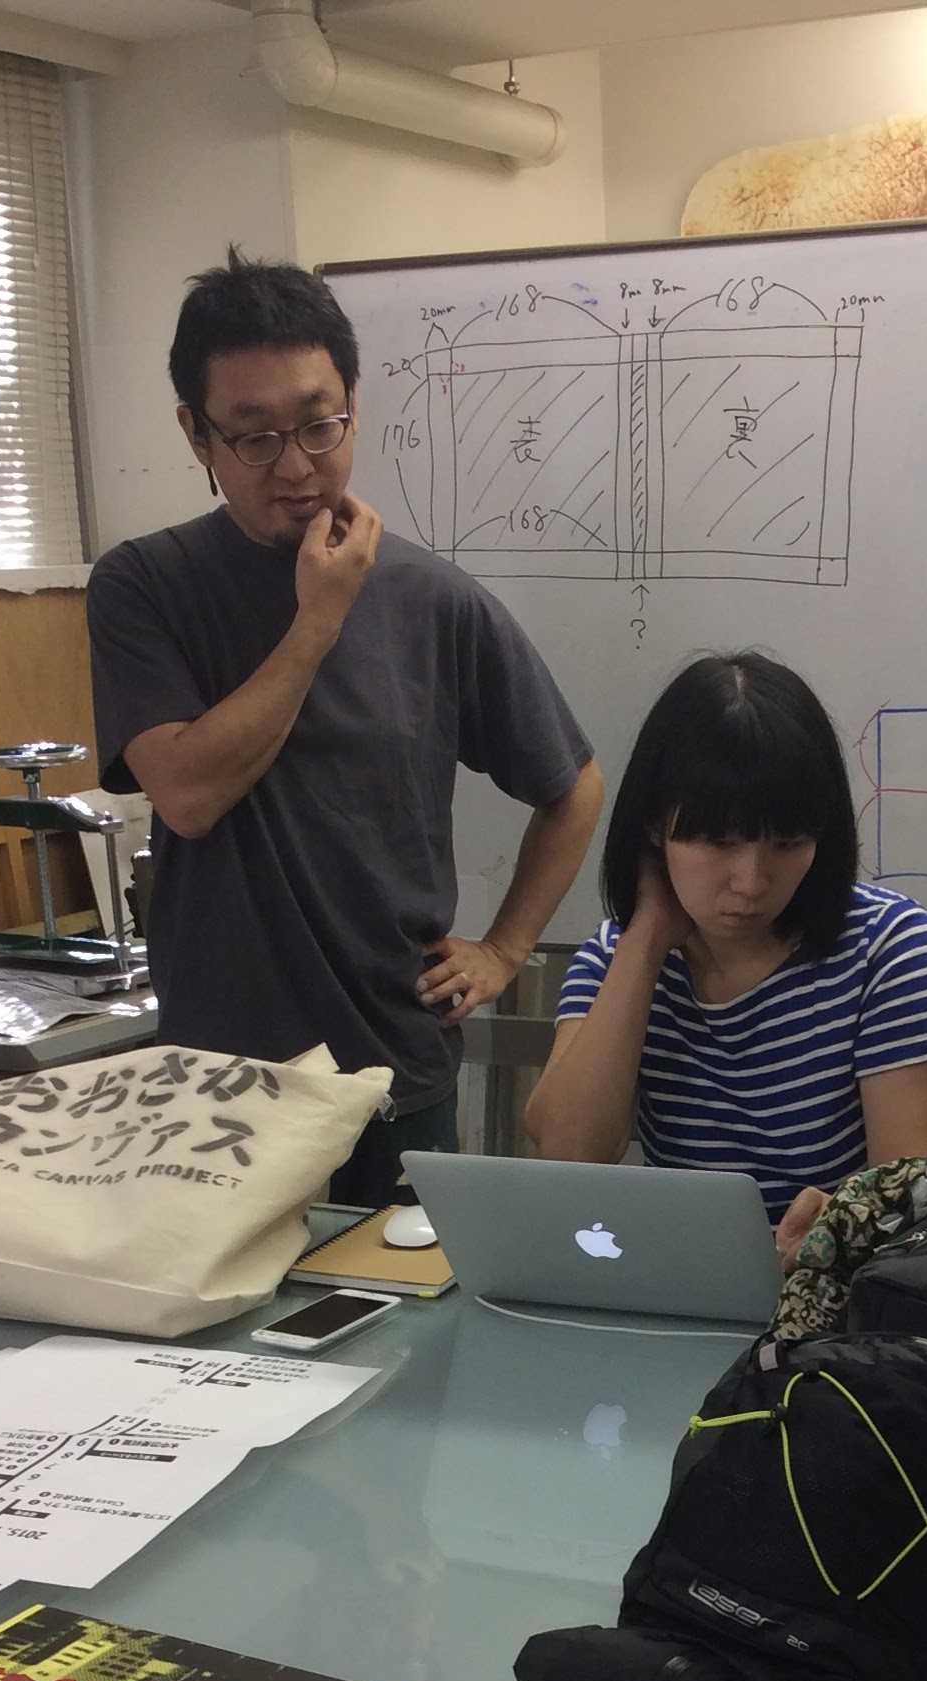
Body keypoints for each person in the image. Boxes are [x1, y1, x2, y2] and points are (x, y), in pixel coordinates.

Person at [87, 252, 604, 1206]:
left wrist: (504, 949)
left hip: (393, 1075)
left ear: (354, 406)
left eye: (318, 425)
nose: (295, 466)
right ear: (196, 434)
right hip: (218, 1091)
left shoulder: (433, 599)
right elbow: (189, 795)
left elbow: (573, 788)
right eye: (254, 437)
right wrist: (319, 619)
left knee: (403, 1303)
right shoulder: (144, 586)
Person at [524, 652, 927, 1254]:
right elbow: (569, 1154)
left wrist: (838, 1231)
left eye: (788, 842)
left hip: (832, 1291)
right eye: (718, 842)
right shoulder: (614, 958)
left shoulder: (889, 948)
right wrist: (645, 939)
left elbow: (902, 1206)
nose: (751, 881)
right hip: (675, 1279)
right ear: (655, 826)